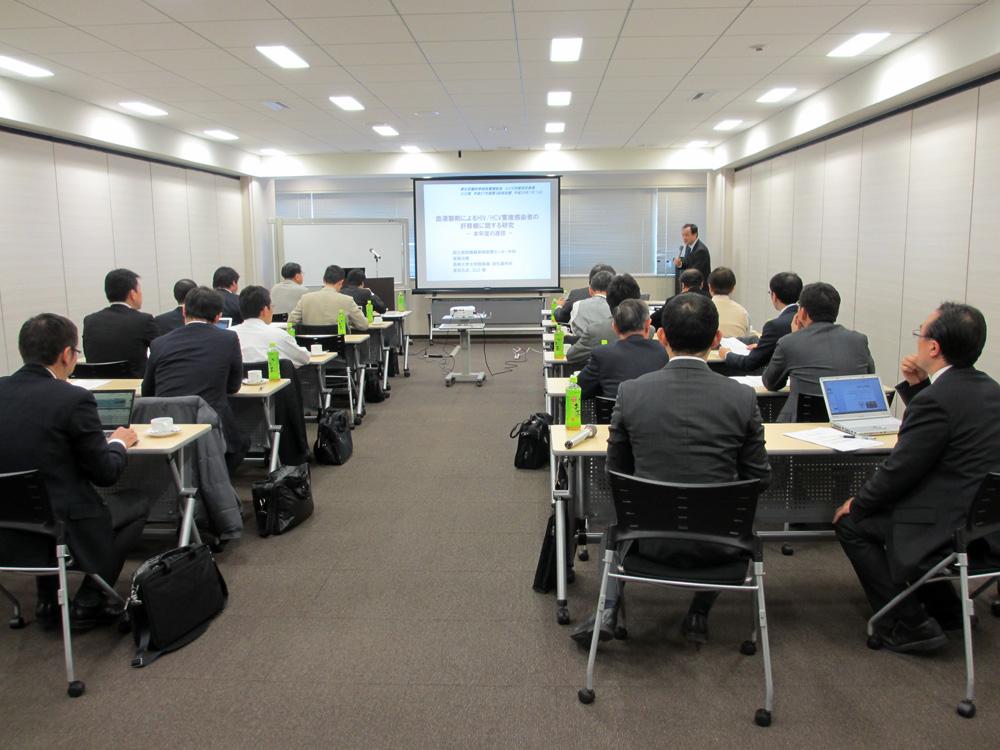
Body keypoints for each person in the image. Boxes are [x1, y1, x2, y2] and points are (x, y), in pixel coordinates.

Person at [571, 293, 770, 646]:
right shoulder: (741, 397)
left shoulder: (631, 393)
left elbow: (615, 474)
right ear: (717, 338)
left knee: (613, 532)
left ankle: (607, 610)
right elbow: (760, 477)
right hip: (723, 544)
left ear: (660, 336)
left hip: (647, 541)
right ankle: (699, 612)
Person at [834, 303, 1000, 653]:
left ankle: (908, 623)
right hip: (987, 528)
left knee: (853, 524)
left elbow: (900, 470)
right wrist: (918, 386)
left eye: (919, 333)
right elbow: (949, 430)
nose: (918, 340)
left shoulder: (937, 400)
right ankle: (947, 609)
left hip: (945, 527)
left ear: (934, 347)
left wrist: (859, 503)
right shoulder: (990, 390)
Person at [0, 313, 141, 630]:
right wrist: (118, 442)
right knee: (135, 504)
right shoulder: (73, 398)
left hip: (8, 524)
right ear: (66, 354)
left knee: (41, 499)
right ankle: (91, 599)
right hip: (62, 523)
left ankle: (47, 600)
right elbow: (105, 474)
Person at [143, 286, 245, 471]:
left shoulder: (159, 343)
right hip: (209, 424)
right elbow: (233, 386)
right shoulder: (228, 338)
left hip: (166, 426)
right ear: (218, 317)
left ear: (184, 312)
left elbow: (147, 391)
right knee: (241, 443)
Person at [762, 282, 875, 422]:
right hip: (849, 421)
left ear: (802, 312)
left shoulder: (789, 342)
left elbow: (771, 383)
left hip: (799, 426)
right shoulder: (859, 340)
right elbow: (869, 376)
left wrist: (795, 336)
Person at [576, 299, 667, 400]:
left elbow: (578, 390)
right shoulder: (664, 352)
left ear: (615, 327)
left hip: (613, 410)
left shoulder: (602, 354)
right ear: (648, 325)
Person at [82, 268, 160, 377]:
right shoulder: (144, 320)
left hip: (99, 383)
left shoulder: (90, 321)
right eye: (140, 290)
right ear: (132, 294)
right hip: (136, 384)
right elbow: (161, 353)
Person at [720, 272, 801, 373]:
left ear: (774, 296)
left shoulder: (774, 326)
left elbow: (750, 363)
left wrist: (727, 354)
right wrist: (764, 346)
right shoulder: (806, 319)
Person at [231, 286, 309, 367]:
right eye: (271, 306)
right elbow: (305, 358)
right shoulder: (279, 335)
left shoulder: (229, 335)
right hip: (274, 375)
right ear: (265, 310)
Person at [289, 264, 369, 331]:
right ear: (341, 282)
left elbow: (291, 322)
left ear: (323, 280)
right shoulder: (347, 300)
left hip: (310, 344)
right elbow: (363, 325)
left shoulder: (305, 299)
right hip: (338, 344)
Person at [566, 269, 614, 366]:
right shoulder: (618, 307)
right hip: (613, 359)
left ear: (590, 290)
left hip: (582, 360)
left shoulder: (578, 305)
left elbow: (573, 329)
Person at [708, 267, 750, 338]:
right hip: (737, 345)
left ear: (709, 287)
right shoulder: (743, 312)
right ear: (733, 288)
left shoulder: (701, 310)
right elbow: (747, 337)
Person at [672, 223, 710, 295]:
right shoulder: (688, 247)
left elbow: (695, 272)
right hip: (691, 287)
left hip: (700, 289)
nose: (684, 238)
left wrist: (684, 283)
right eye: (683, 235)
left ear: (695, 234)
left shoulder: (701, 250)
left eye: (687, 235)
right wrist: (680, 264)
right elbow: (687, 263)